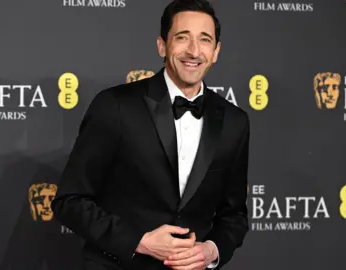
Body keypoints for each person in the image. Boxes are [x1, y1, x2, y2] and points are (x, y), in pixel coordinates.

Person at [51, 0, 250, 269]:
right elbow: (70, 201)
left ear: (215, 51)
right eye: (182, 38)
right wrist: (139, 241)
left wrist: (212, 250)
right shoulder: (116, 106)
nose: (194, 51)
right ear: (162, 45)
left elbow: (234, 215)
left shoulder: (234, 121)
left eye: (204, 40)